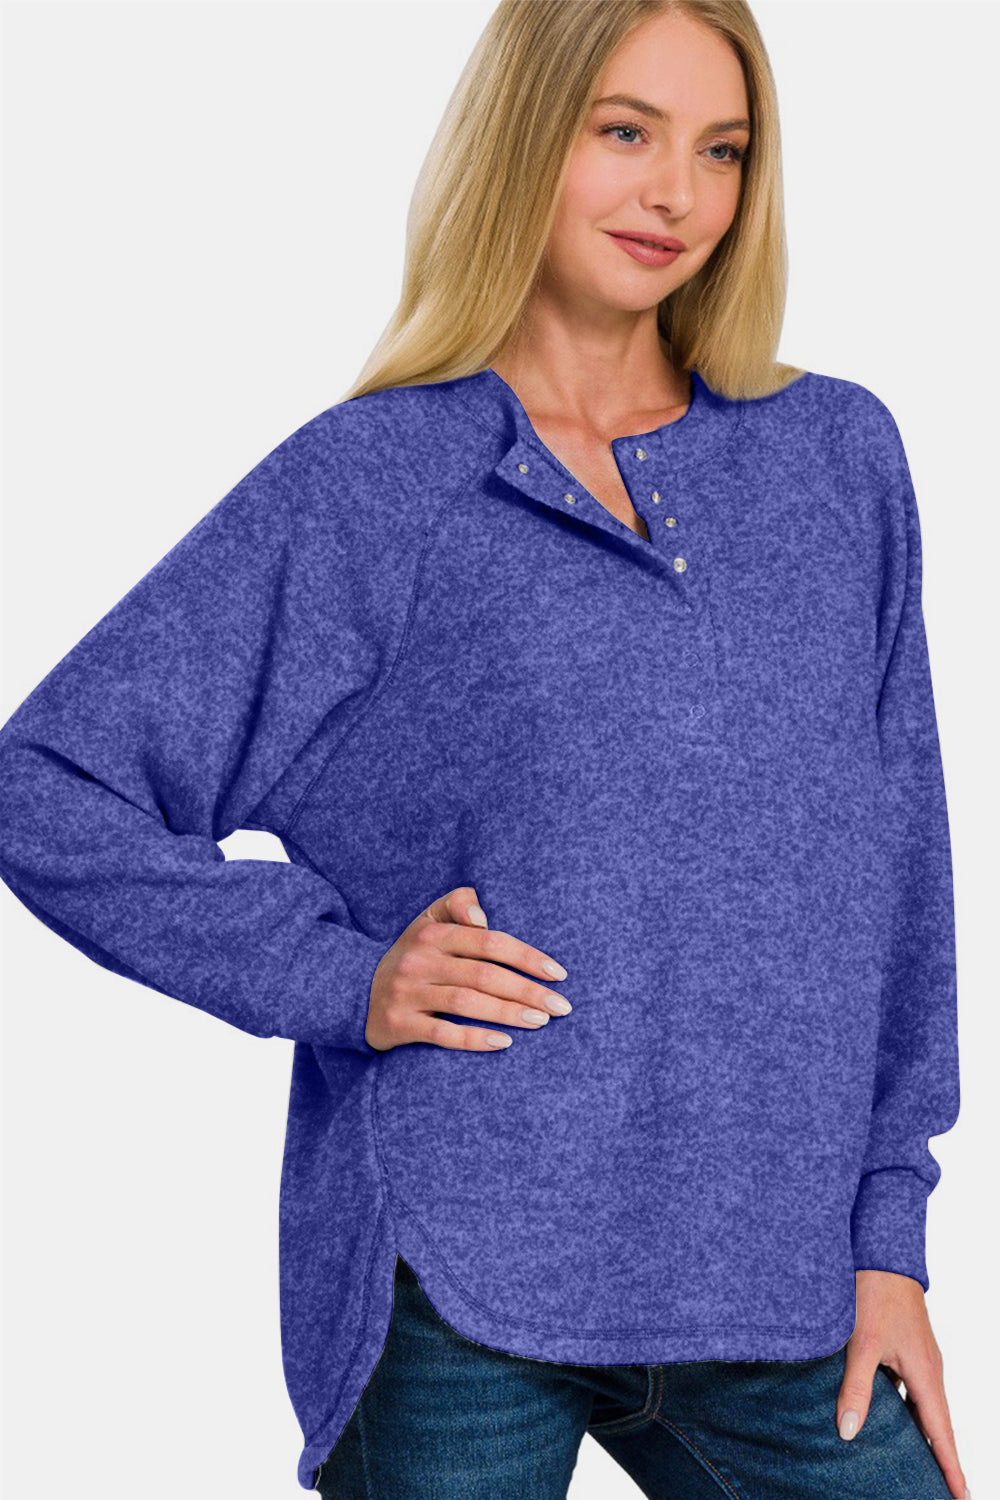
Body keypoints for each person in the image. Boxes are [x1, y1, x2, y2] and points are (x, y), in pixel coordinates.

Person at [0, 1, 969, 1496]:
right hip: (461, 1275)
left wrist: (889, 1242)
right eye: (625, 132)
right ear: (525, 136)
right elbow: (52, 784)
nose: (676, 194)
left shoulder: (834, 460)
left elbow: (900, 871)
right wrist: (341, 975)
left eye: (722, 151)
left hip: (777, 1278)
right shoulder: (375, 481)